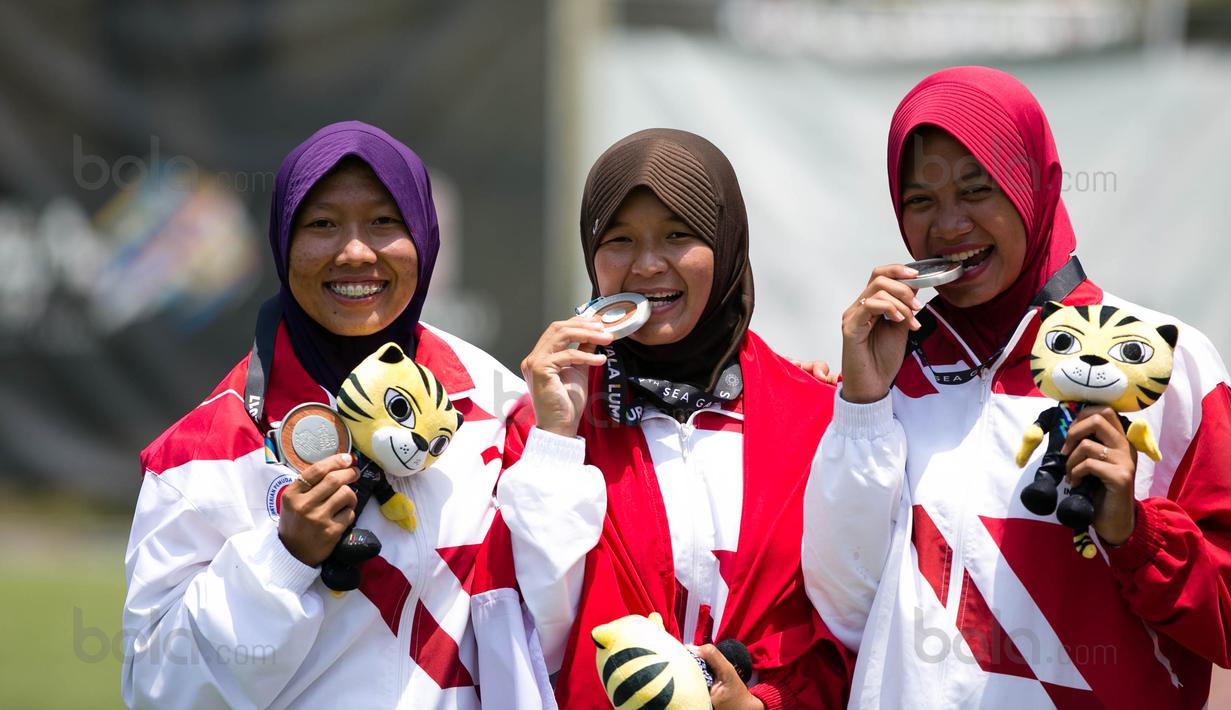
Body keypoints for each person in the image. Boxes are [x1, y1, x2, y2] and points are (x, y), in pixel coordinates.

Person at [803, 66, 1231, 708]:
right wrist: (859, 408)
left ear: (1033, 184)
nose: (949, 225)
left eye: (977, 189)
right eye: (920, 200)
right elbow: (843, 609)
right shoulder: (886, 371)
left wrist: (1134, 535)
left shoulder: (1167, 360)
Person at [121, 121, 552, 708]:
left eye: (384, 222)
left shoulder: (497, 402)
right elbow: (158, 689)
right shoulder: (203, 452)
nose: (354, 252)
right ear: (283, 242)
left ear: (424, 236)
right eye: (322, 224)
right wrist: (282, 559)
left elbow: (555, 609)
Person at [498, 128, 853, 709]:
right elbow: (533, 629)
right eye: (619, 239)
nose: (647, 264)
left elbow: (850, 628)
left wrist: (763, 704)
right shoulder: (544, 424)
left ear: (726, 243)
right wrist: (556, 441)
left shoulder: (813, 416)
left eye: (678, 234)